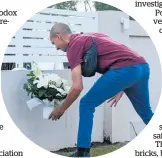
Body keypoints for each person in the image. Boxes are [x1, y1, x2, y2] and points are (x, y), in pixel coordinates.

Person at [48, 23, 154, 157]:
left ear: (58, 37)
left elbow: (77, 87)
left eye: (54, 43)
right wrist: (121, 86)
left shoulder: (73, 46)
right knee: (146, 113)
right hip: (142, 67)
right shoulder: (92, 35)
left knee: (86, 104)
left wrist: (61, 109)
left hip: (124, 70)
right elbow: (119, 53)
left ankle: (82, 152)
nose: (56, 48)